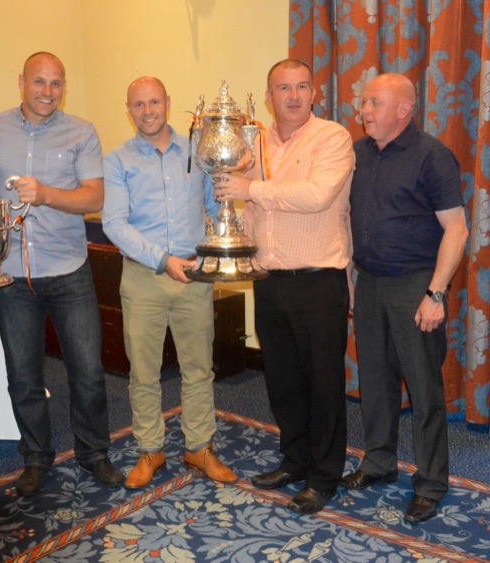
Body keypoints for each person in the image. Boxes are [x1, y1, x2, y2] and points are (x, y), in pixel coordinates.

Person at [213, 59, 355, 514]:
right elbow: (242, 203)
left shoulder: (333, 138)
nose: (293, 96)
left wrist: (251, 189)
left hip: (319, 282)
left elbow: (315, 196)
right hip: (269, 281)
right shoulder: (254, 144)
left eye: (301, 87)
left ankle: (325, 475)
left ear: (314, 92)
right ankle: (294, 460)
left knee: (324, 384)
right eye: (282, 88)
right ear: (269, 95)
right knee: (283, 381)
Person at [0, 52, 123, 495]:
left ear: (65, 87)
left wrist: (44, 195)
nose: (47, 92)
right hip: (12, 273)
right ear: (21, 81)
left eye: (56, 83)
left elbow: (92, 198)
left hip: (68, 270)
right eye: (39, 82)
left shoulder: (81, 132)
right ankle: (35, 459)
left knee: (87, 372)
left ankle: (94, 454)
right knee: (23, 375)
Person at [343, 73, 468, 523]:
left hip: (416, 285)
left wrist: (436, 293)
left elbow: (457, 229)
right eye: (363, 102)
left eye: (373, 102)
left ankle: (431, 483)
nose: (363, 109)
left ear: (403, 109)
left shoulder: (431, 156)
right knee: (375, 380)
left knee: (423, 388)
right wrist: (351, 276)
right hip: (371, 281)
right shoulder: (357, 153)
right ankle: (378, 462)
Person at [102, 76, 237, 488]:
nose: (147, 111)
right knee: (144, 372)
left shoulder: (198, 151)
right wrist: (164, 261)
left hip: (195, 275)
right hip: (144, 277)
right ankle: (151, 450)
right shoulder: (117, 160)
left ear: (168, 103)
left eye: (154, 102)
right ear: (129, 110)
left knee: (198, 368)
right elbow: (113, 223)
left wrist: (220, 243)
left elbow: (216, 206)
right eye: (138, 105)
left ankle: (199, 447)